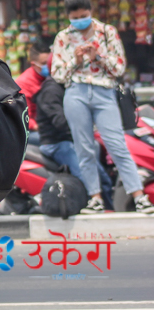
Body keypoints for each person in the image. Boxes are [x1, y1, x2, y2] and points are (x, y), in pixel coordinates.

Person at [52, 0, 153, 215]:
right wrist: (76, 61)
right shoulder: (63, 37)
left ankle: (139, 197)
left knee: (117, 145)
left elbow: (119, 68)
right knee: (84, 148)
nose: (80, 21)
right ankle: (95, 198)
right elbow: (58, 74)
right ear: (69, 16)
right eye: (75, 18)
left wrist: (98, 56)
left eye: (83, 16)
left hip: (104, 93)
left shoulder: (107, 32)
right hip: (75, 93)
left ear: (91, 10)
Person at [35, 59, 114, 205]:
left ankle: (109, 207)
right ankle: (92, 203)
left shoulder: (71, 86)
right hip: (57, 143)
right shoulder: (51, 90)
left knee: (102, 176)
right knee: (85, 176)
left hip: (74, 140)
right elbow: (60, 122)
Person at [15, 41, 50, 133]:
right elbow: (24, 117)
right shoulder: (24, 83)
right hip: (34, 130)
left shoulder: (53, 77)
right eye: (44, 63)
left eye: (50, 62)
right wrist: (41, 129)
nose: (48, 66)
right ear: (33, 64)